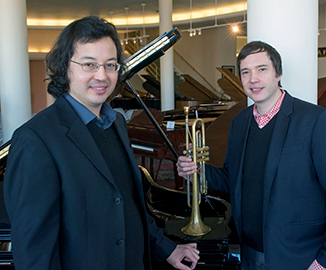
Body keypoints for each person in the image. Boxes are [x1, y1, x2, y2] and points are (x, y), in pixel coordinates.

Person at [4, 16, 199, 270]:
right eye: (89, 64)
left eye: (110, 65)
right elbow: (35, 253)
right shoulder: (35, 139)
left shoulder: (115, 122)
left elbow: (129, 205)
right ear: (65, 67)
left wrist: (167, 249)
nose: (102, 75)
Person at [177, 41, 326, 270]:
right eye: (246, 72)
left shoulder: (315, 121)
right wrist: (196, 172)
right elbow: (232, 179)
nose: (253, 79)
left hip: (302, 259)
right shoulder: (239, 123)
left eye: (261, 69)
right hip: (248, 253)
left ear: (278, 74)